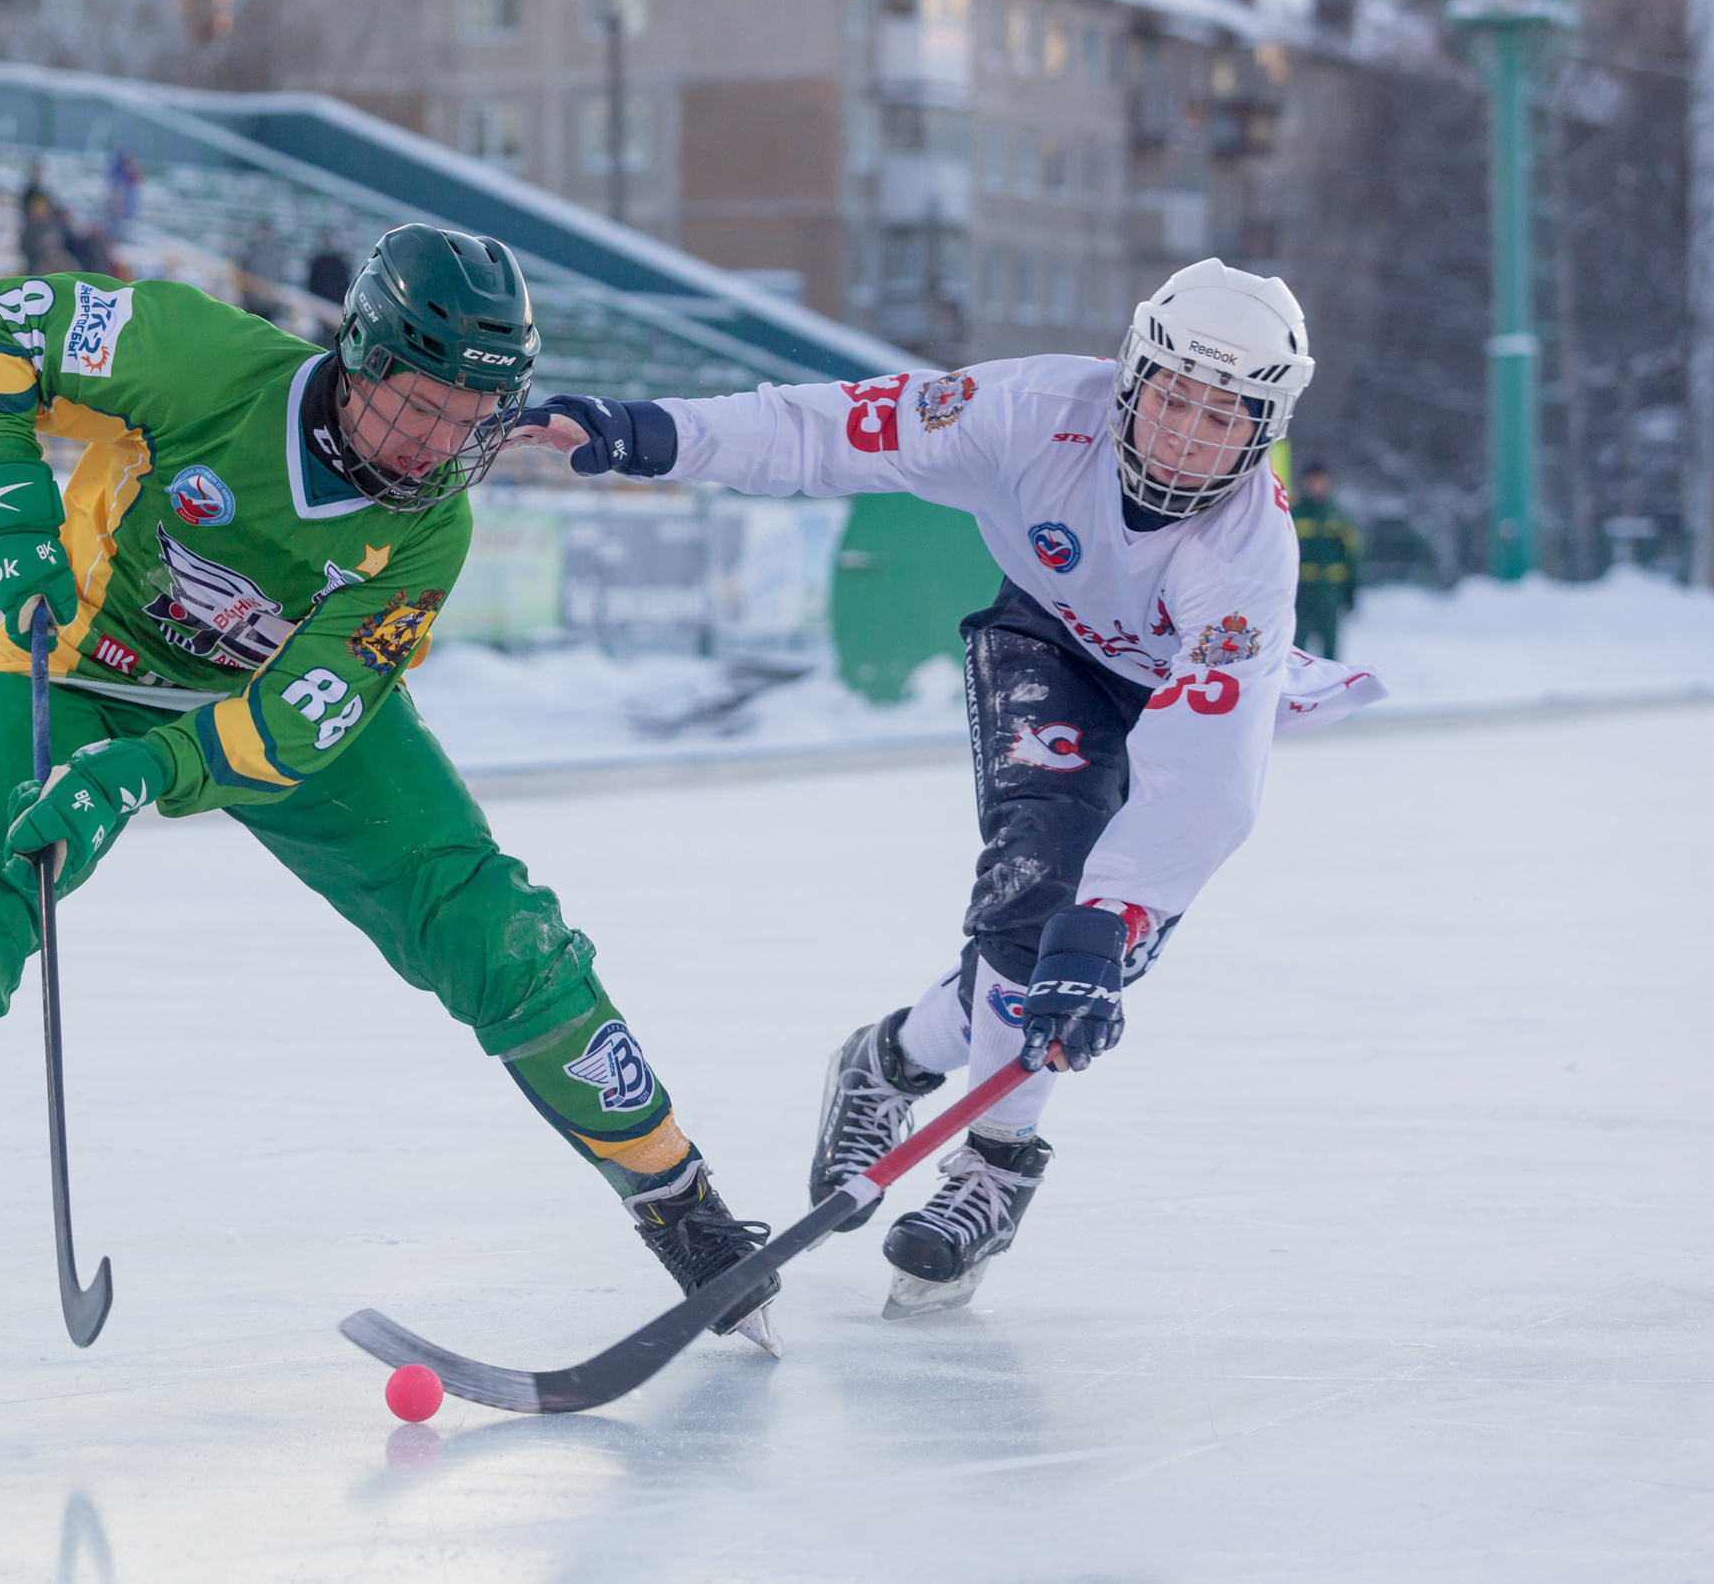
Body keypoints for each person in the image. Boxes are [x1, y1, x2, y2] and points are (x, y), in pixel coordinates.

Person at [0, 225, 783, 1363]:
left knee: (494, 928)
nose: (441, 443)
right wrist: (10, 493)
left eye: (469, 417)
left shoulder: (430, 524)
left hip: (270, 702)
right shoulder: (193, 356)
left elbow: (295, 723)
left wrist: (144, 775)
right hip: (85, 660)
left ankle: (679, 1206)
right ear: (358, 357)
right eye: (420, 406)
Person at [513, 258, 1387, 1317]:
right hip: (1048, 649)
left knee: (1089, 956)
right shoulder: (1020, 412)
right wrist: (650, 433)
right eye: (1171, 396)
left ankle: (889, 1059)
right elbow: (826, 429)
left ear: (1263, 427)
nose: (1186, 436)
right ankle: (998, 1163)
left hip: (1173, 696)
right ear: (1130, 373)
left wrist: (1110, 923)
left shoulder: (1249, 553)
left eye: (1223, 416)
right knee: (1034, 906)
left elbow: (1203, 776)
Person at [1291, 461, 1361, 659]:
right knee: (1297, 649)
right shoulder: (1293, 513)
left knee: (1330, 650)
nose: (1316, 486)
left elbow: (1352, 556)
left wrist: (1351, 592)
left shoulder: (1339, 515)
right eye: (1312, 481)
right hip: (1300, 593)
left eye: (1320, 481)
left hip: (1329, 592)